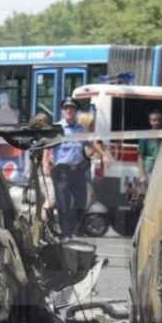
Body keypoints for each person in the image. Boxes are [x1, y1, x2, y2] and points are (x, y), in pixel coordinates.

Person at [44, 98, 106, 241]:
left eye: (71, 108)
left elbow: (90, 143)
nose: (69, 111)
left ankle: (70, 229)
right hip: (62, 171)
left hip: (78, 170)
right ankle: (66, 233)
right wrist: (45, 164)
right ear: (63, 111)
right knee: (63, 204)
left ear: (76, 111)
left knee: (80, 203)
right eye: (66, 108)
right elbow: (47, 147)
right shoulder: (57, 128)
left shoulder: (80, 128)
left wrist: (103, 155)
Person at [136, 109, 162, 186]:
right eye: (154, 120)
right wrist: (142, 175)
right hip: (149, 172)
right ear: (150, 122)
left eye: (159, 120)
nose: (157, 122)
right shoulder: (145, 136)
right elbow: (140, 157)